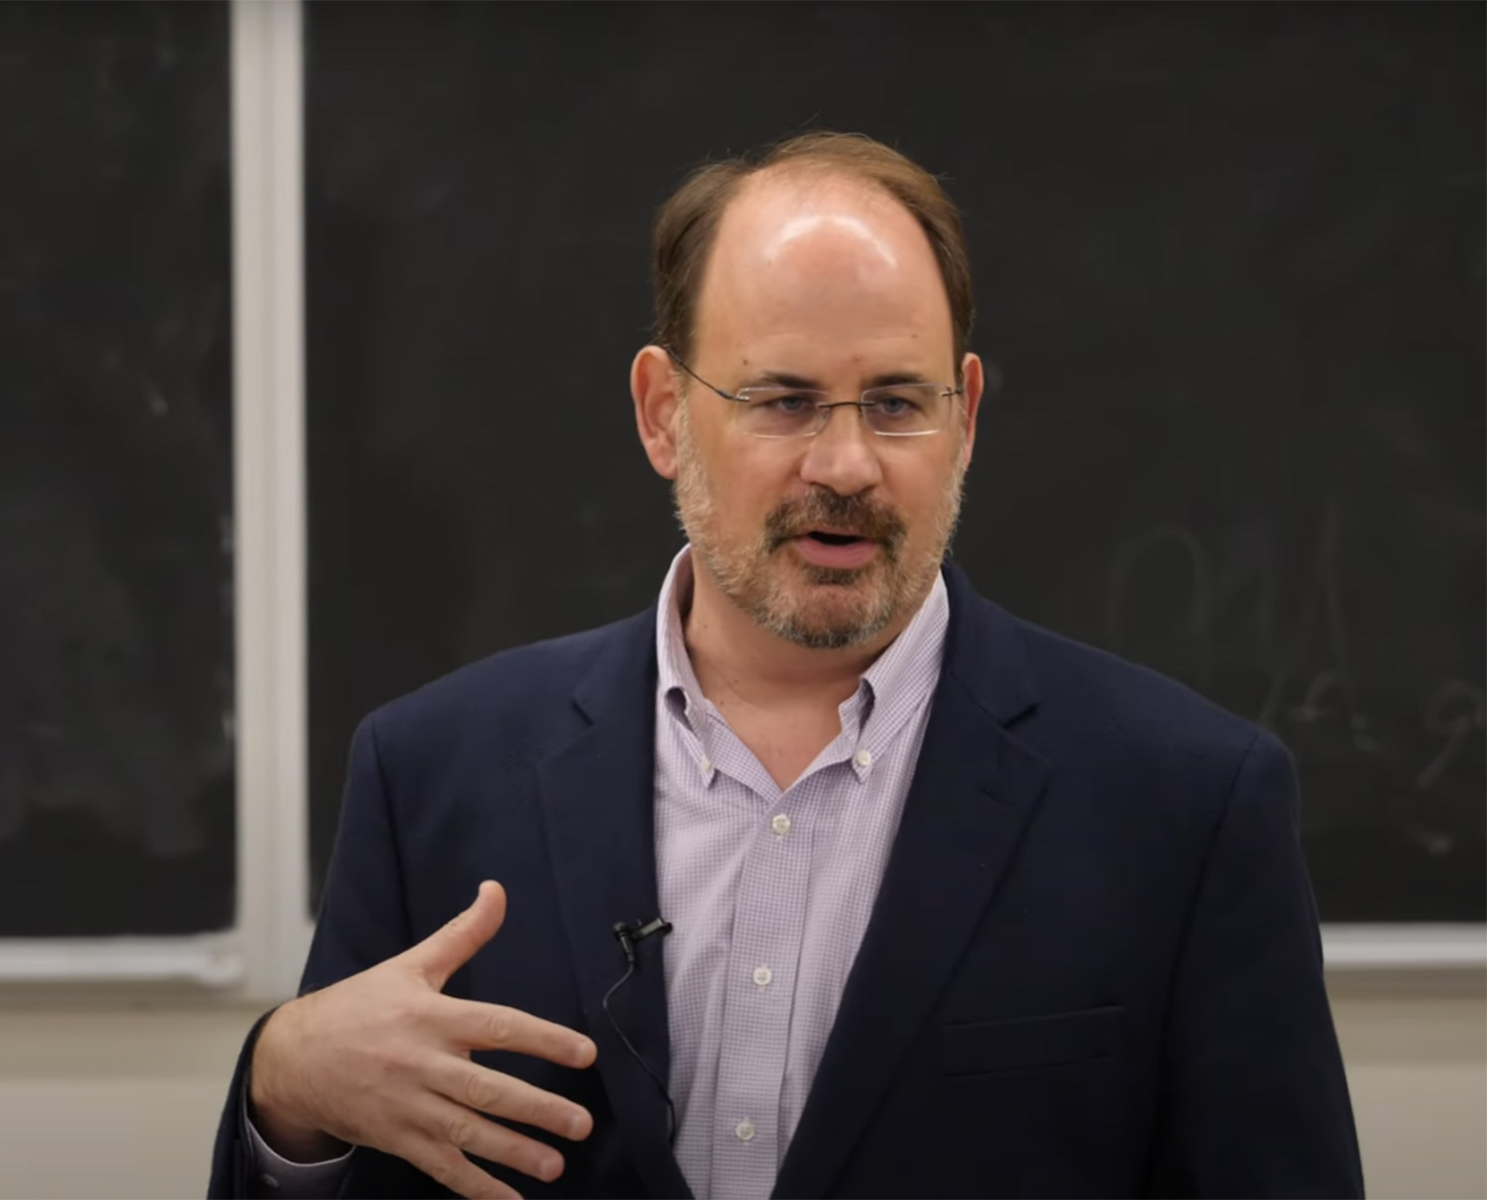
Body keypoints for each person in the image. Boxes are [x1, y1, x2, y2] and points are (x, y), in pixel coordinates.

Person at [207, 131, 1363, 1200]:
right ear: (662, 413)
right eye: (783, 401)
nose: (845, 464)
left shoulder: (1185, 804)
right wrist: (282, 1093)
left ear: (964, 415)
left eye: (895, 402)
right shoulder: (430, 774)